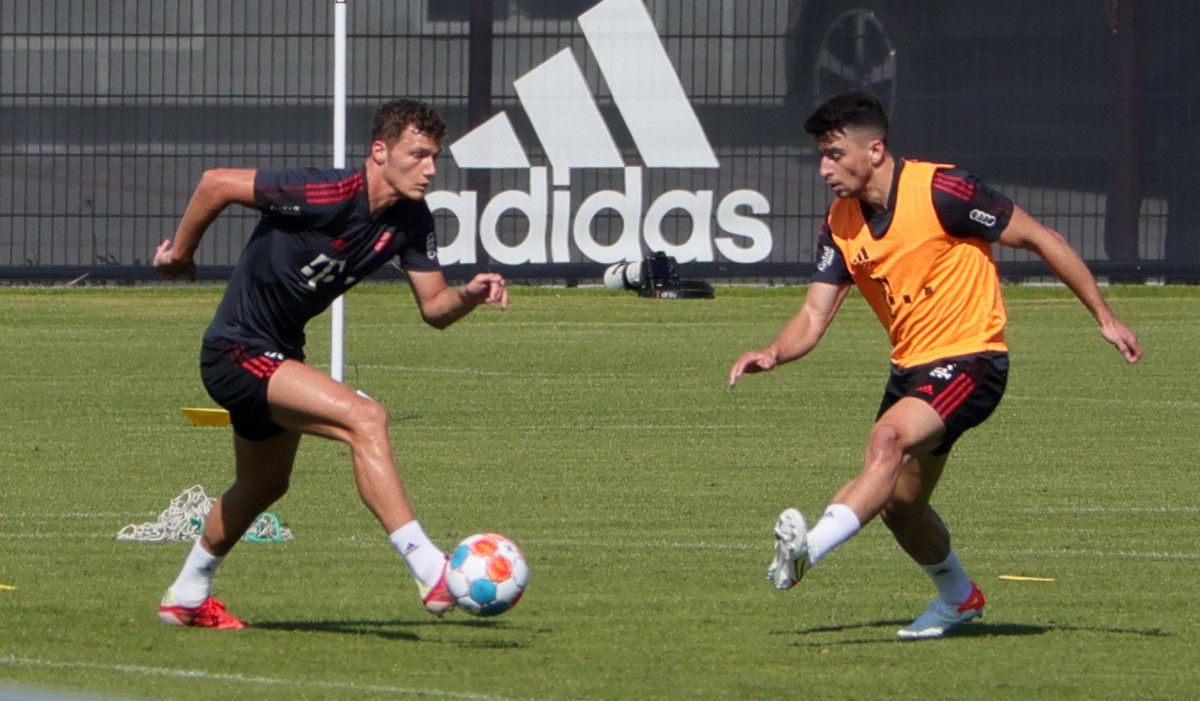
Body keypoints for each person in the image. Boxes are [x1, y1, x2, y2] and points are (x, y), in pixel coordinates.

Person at [727, 91, 1141, 640]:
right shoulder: (841, 222)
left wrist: (1104, 316)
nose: (824, 168)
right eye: (821, 156)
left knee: (887, 442)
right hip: (912, 371)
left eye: (833, 154)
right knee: (901, 507)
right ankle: (958, 597)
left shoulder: (942, 189)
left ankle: (807, 553)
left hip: (973, 360)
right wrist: (774, 352)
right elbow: (812, 312)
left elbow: (1043, 238)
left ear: (874, 150)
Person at [152, 98, 509, 628]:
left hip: (276, 354)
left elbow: (434, 310)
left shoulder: (411, 219)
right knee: (366, 418)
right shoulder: (325, 191)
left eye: (436, 157)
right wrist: (180, 255)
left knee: (264, 486)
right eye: (418, 155)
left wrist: (470, 295)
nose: (431, 169)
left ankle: (186, 595)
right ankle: (430, 568)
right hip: (235, 350)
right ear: (380, 151)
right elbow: (215, 183)